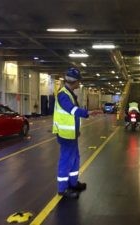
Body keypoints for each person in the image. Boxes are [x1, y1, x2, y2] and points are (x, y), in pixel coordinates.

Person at [52, 67, 89, 199]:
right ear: (74, 81)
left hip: (71, 134)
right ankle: (63, 189)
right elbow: (72, 110)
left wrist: (77, 131)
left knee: (75, 159)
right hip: (64, 134)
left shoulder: (70, 93)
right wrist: (86, 113)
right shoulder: (63, 95)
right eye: (79, 81)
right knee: (66, 160)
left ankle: (72, 183)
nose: (79, 83)